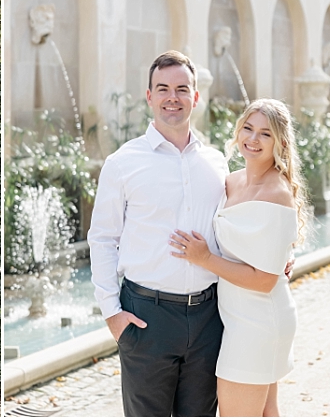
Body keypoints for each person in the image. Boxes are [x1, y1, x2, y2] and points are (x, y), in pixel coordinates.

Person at [89, 50, 229, 417]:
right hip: (146, 318)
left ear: (195, 97)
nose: (173, 97)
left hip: (208, 317)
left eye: (182, 89)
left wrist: (274, 260)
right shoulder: (123, 163)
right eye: (163, 88)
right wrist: (112, 315)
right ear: (149, 96)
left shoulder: (217, 163)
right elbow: (102, 238)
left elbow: (231, 228)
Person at [169, 99, 307, 416]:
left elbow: (264, 280)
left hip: (258, 320)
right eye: (248, 128)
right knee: (265, 412)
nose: (253, 139)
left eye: (265, 134)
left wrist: (204, 259)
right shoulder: (232, 181)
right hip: (240, 317)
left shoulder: (277, 193)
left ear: (281, 143)